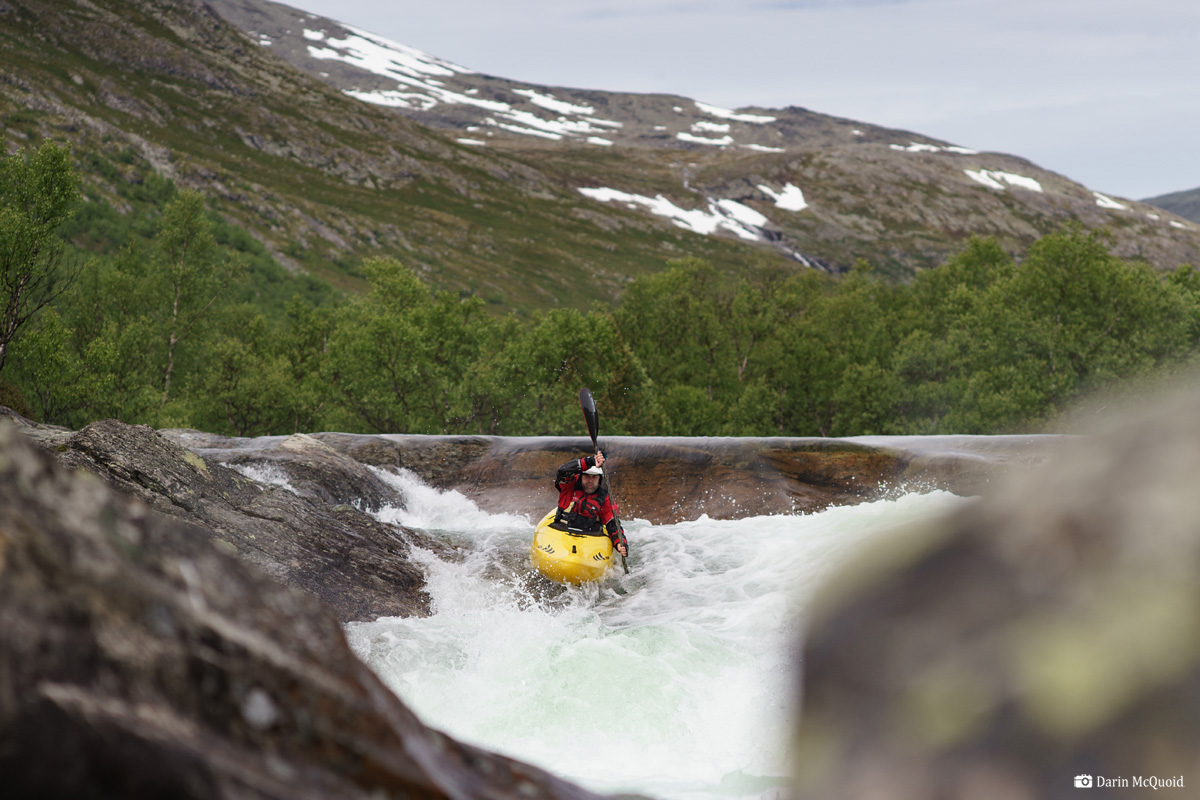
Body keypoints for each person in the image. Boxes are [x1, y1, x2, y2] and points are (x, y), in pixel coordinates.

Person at [553, 450, 628, 557]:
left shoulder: (605, 498)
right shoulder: (569, 486)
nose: (590, 480)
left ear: (600, 479)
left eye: (594, 477)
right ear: (581, 476)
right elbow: (562, 471)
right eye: (587, 476)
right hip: (561, 532)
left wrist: (620, 544)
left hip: (591, 539)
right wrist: (591, 461)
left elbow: (613, 525)